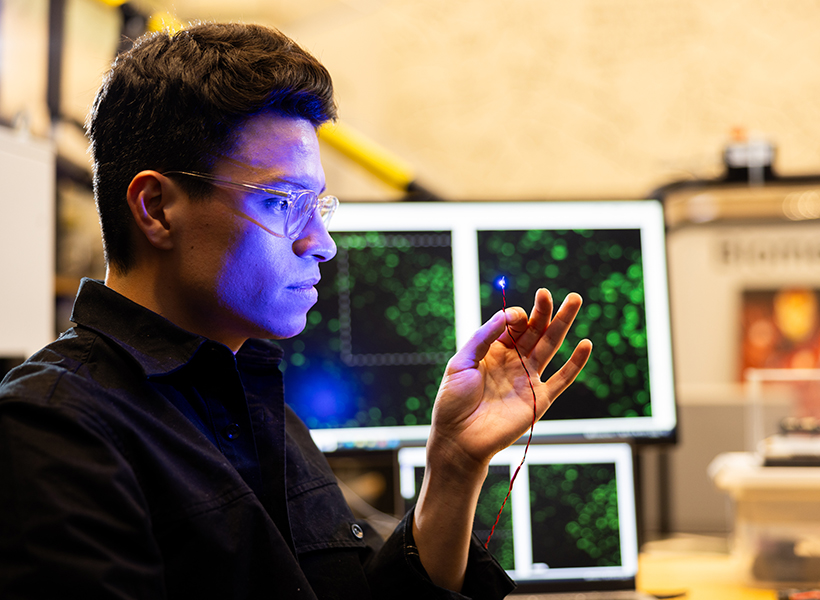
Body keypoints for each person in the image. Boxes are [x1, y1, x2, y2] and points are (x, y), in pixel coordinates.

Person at [0, 22, 592, 599]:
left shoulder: (263, 410)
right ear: (156, 208)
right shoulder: (53, 433)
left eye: (320, 206)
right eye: (283, 202)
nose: (322, 243)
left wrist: (455, 462)